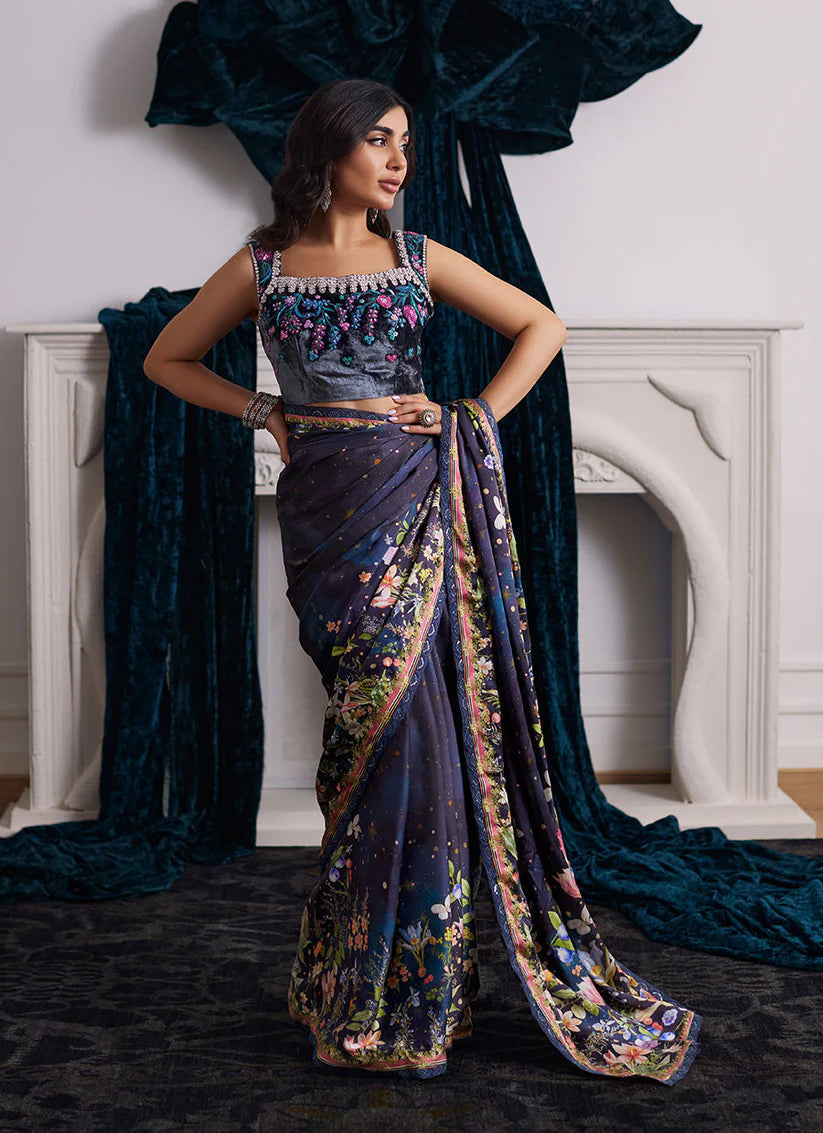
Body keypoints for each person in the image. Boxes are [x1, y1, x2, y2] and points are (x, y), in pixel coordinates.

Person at [143, 77, 702, 1085]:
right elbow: (166, 359)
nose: (400, 159)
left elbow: (541, 326)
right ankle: (358, 983)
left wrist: (465, 413)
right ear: (328, 147)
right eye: (379, 139)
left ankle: (419, 993)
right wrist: (264, 411)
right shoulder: (263, 264)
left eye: (405, 140)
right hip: (328, 512)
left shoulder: (417, 257)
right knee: (366, 731)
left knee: (424, 744)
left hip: (414, 492)